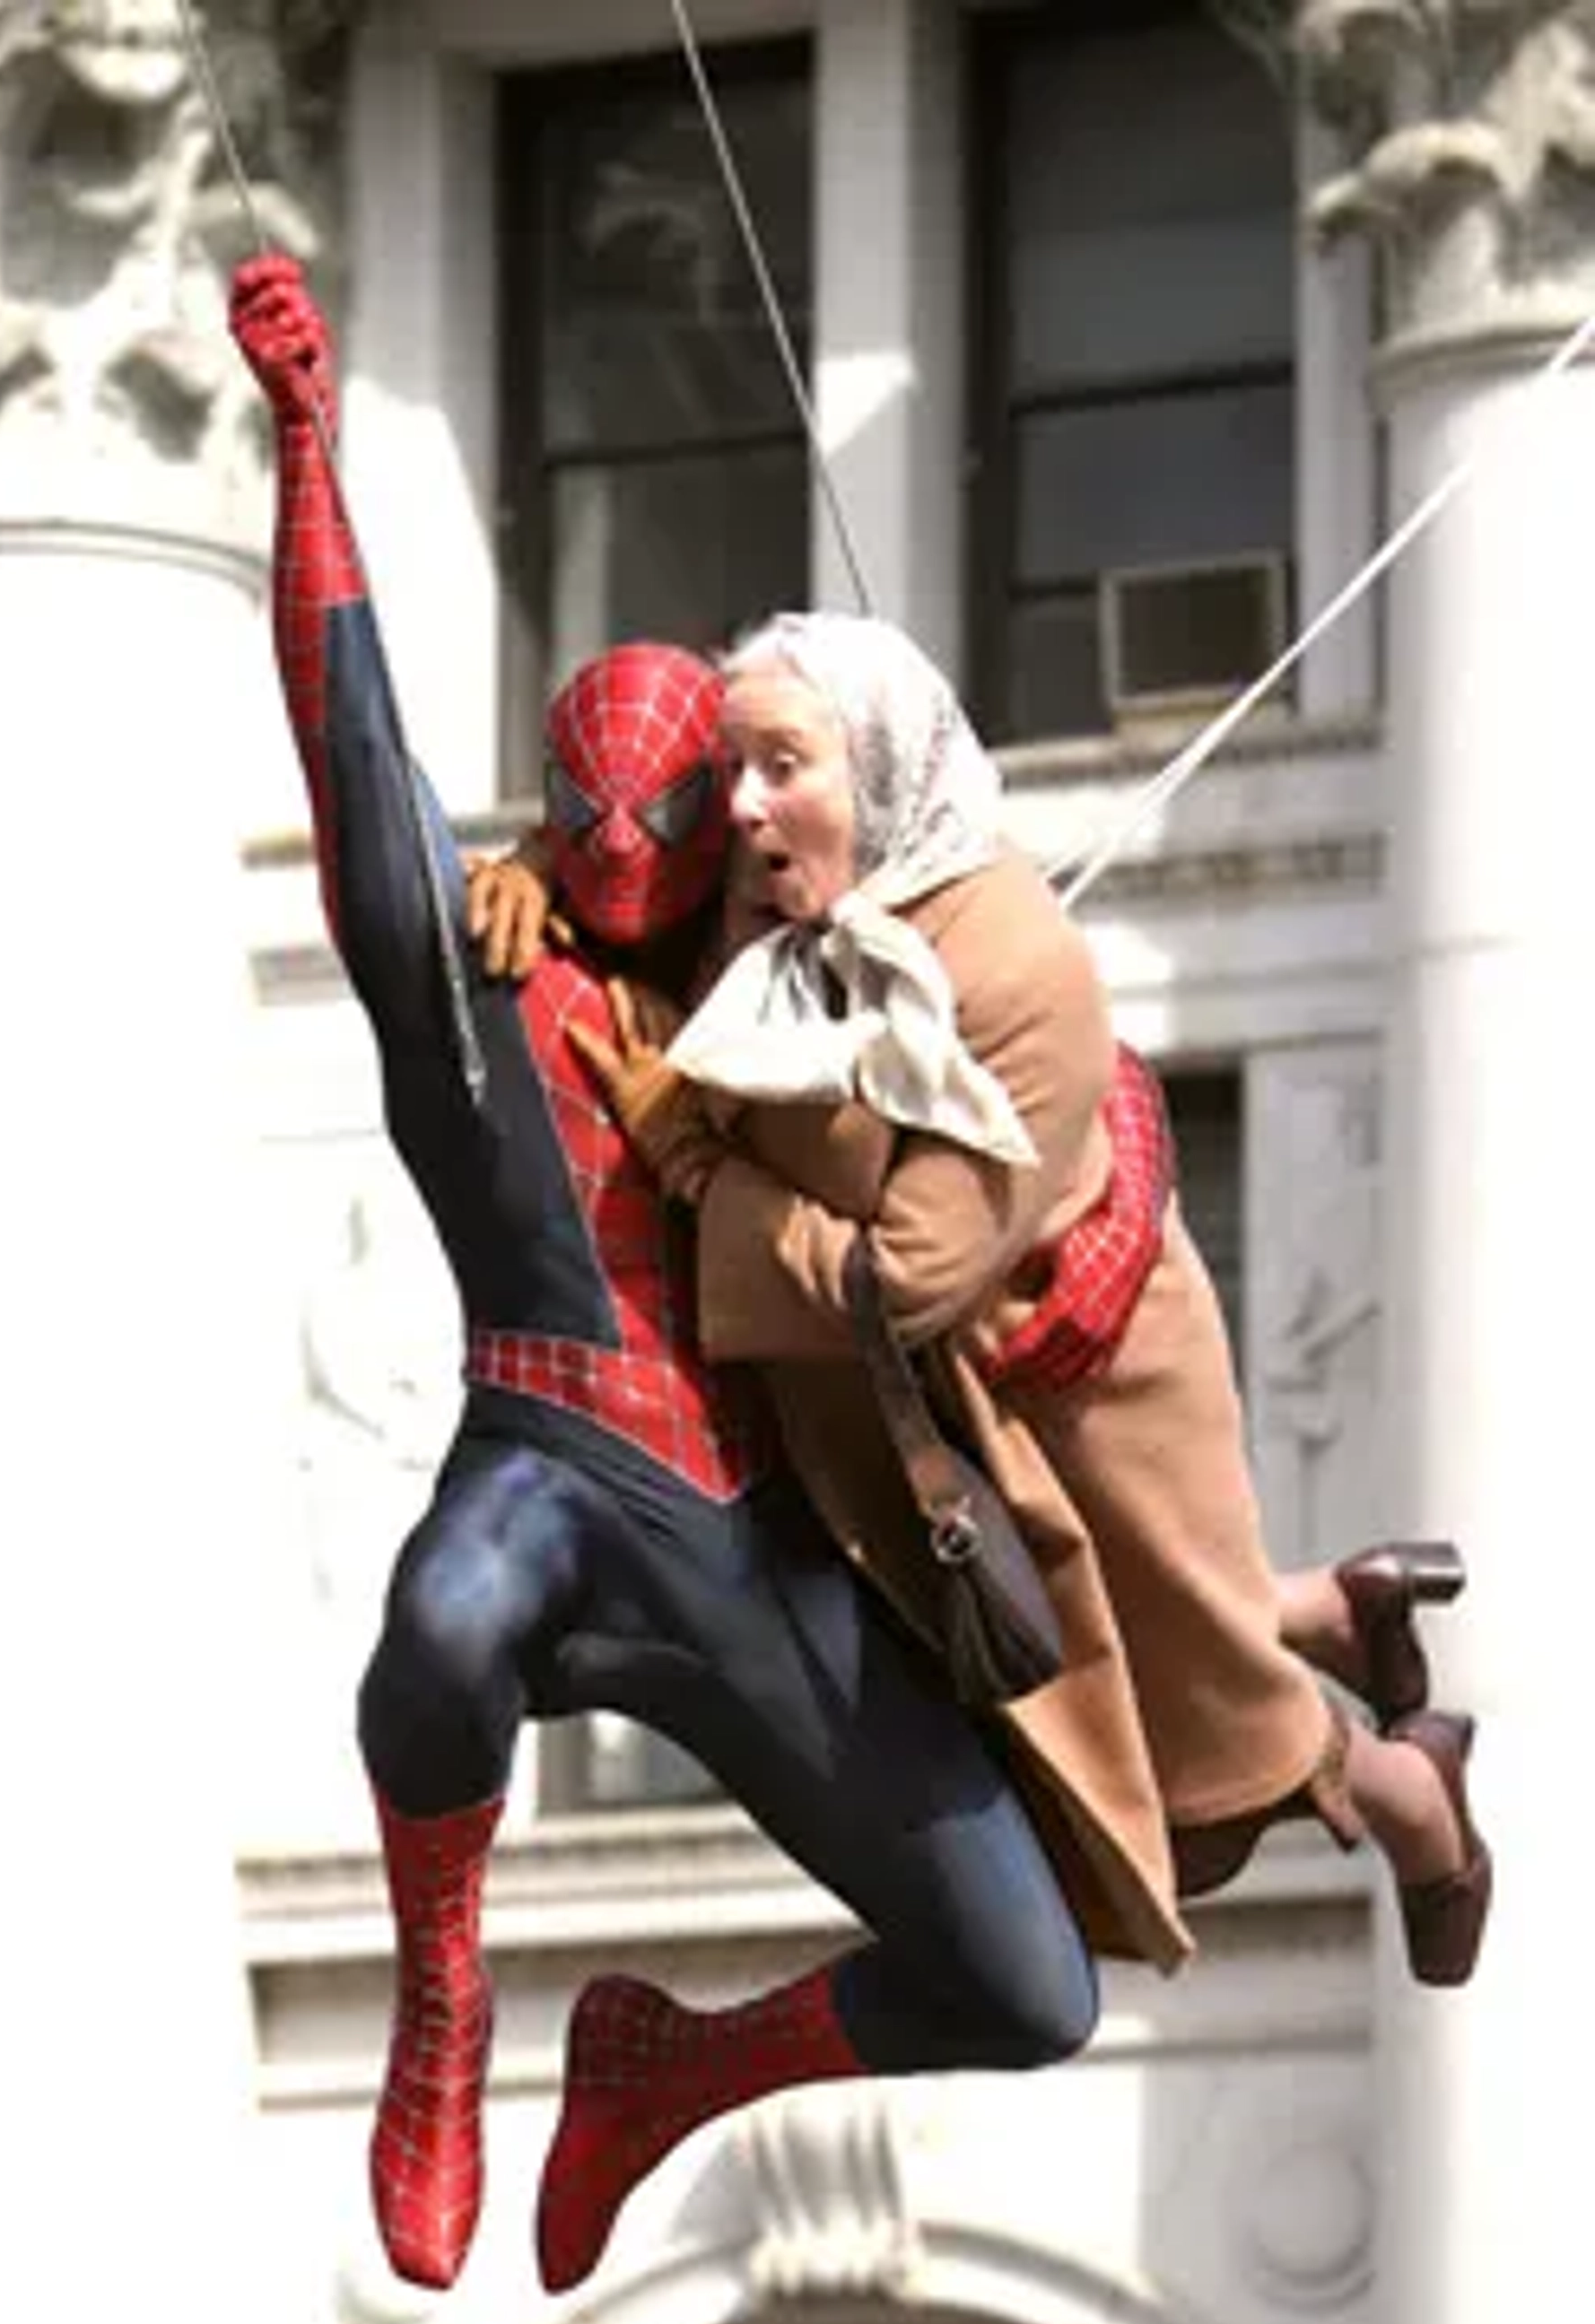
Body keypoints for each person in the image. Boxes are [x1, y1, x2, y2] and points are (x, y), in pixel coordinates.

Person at [229, 254, 1145, 2307]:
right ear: (565, 829)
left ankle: (662, 2070)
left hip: (772, 1548)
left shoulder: (796, 1003)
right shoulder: (484, 981)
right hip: (551, 1454)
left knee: (1027, 1981)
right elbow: (349, 740)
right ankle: (446, 2014)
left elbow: (1026, 1082)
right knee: (442, 1619)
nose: (672, 845)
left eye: (704, 815)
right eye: (627, 825)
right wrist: (306, 440)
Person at [566, 609, 1492, 1988]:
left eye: (782, 764)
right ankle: (1335, 1612)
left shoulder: (1012, 966)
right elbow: (620, 856)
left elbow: (911, 1279)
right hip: (909, 1409)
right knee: (1132, 1688)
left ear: (875, 768)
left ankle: (1414, 1803)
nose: (743, 806)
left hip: (1064, 1399)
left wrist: (693, 1160)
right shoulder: (783, 901)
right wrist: (530, 868)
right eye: (731, 767)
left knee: (1181, 1750)